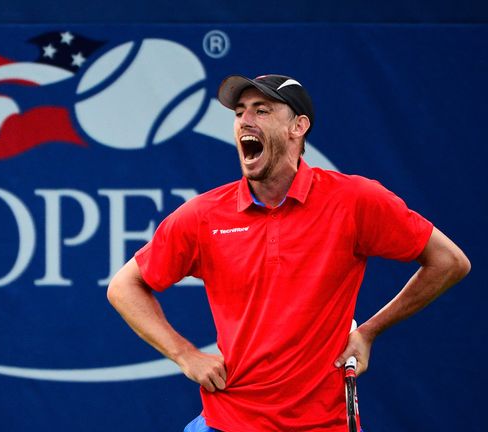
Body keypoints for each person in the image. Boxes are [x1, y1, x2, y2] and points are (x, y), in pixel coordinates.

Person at [106, 74, 470, 431]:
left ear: (298, 126)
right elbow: (124, 286)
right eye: (239, 112)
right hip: (228, 421)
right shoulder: (203, 216)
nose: (245, 120)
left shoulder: (354, 200)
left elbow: (449, 262)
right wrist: (185, 354)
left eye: (262, 110)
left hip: (324, 423)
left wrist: (370, 332)